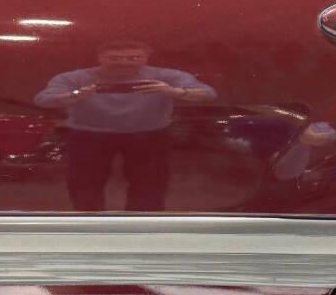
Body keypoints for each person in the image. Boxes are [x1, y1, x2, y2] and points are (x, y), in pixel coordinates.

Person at [35, 41, 216, 212]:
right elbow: (43, 100)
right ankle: (89, 223)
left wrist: (173, 91)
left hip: (148, 135)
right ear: (100, 57)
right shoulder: (75, 77)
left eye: (133, 58)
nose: (124, 63)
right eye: (115, 58)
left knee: (150, 185)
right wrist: (75, 95)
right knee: (85, 185)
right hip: (89, 135)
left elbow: (208, 94)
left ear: (146, 58)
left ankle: (143, 225)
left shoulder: (166, 76)